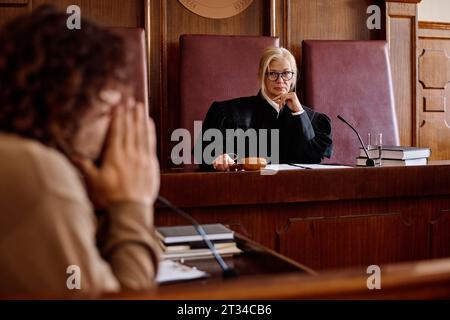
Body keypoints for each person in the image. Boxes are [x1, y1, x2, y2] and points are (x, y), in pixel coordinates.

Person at [0, 6, 160, 297]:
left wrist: (107, 206)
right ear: (65, 102)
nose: (116, 124)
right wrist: (132, 204)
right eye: (108, 108)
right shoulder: (37, 170)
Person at [199, 47, 333, 171]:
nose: (280, 80)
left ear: (293, 77)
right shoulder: (228, 113)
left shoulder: (312, 119)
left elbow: (312, 159)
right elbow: (206, 156)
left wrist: (299, 113)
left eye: (286, 73)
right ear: (262, 76)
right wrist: (219, 158)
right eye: (273, 73)